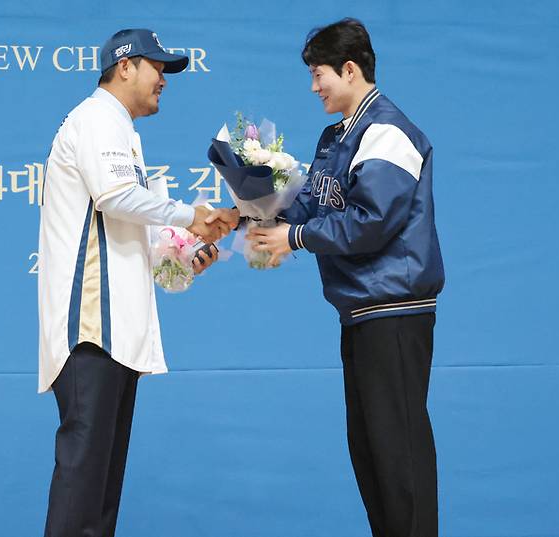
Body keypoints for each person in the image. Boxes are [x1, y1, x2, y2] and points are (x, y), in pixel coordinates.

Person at [247, 18, 445, 537]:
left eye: (319, 76)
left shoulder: (387, 131)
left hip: (394, 311)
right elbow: (310, 205)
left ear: (350, 68)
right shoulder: (337, 136)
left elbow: (372, 222)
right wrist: (250, 214)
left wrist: (292, 240)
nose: (314, 88)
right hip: (359, 311)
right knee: (371, 452)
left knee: (399, 455)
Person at [38, 28, 234, 537]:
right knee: (83, 490)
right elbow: (115, 196)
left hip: (117, 336)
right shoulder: (98, 118)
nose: (163, 79)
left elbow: (133, 242)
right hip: (90, 332)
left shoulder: (121, 130)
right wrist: (193, 215)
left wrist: (186, 259)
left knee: (100, 497)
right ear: (124, 66)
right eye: (157, 67)